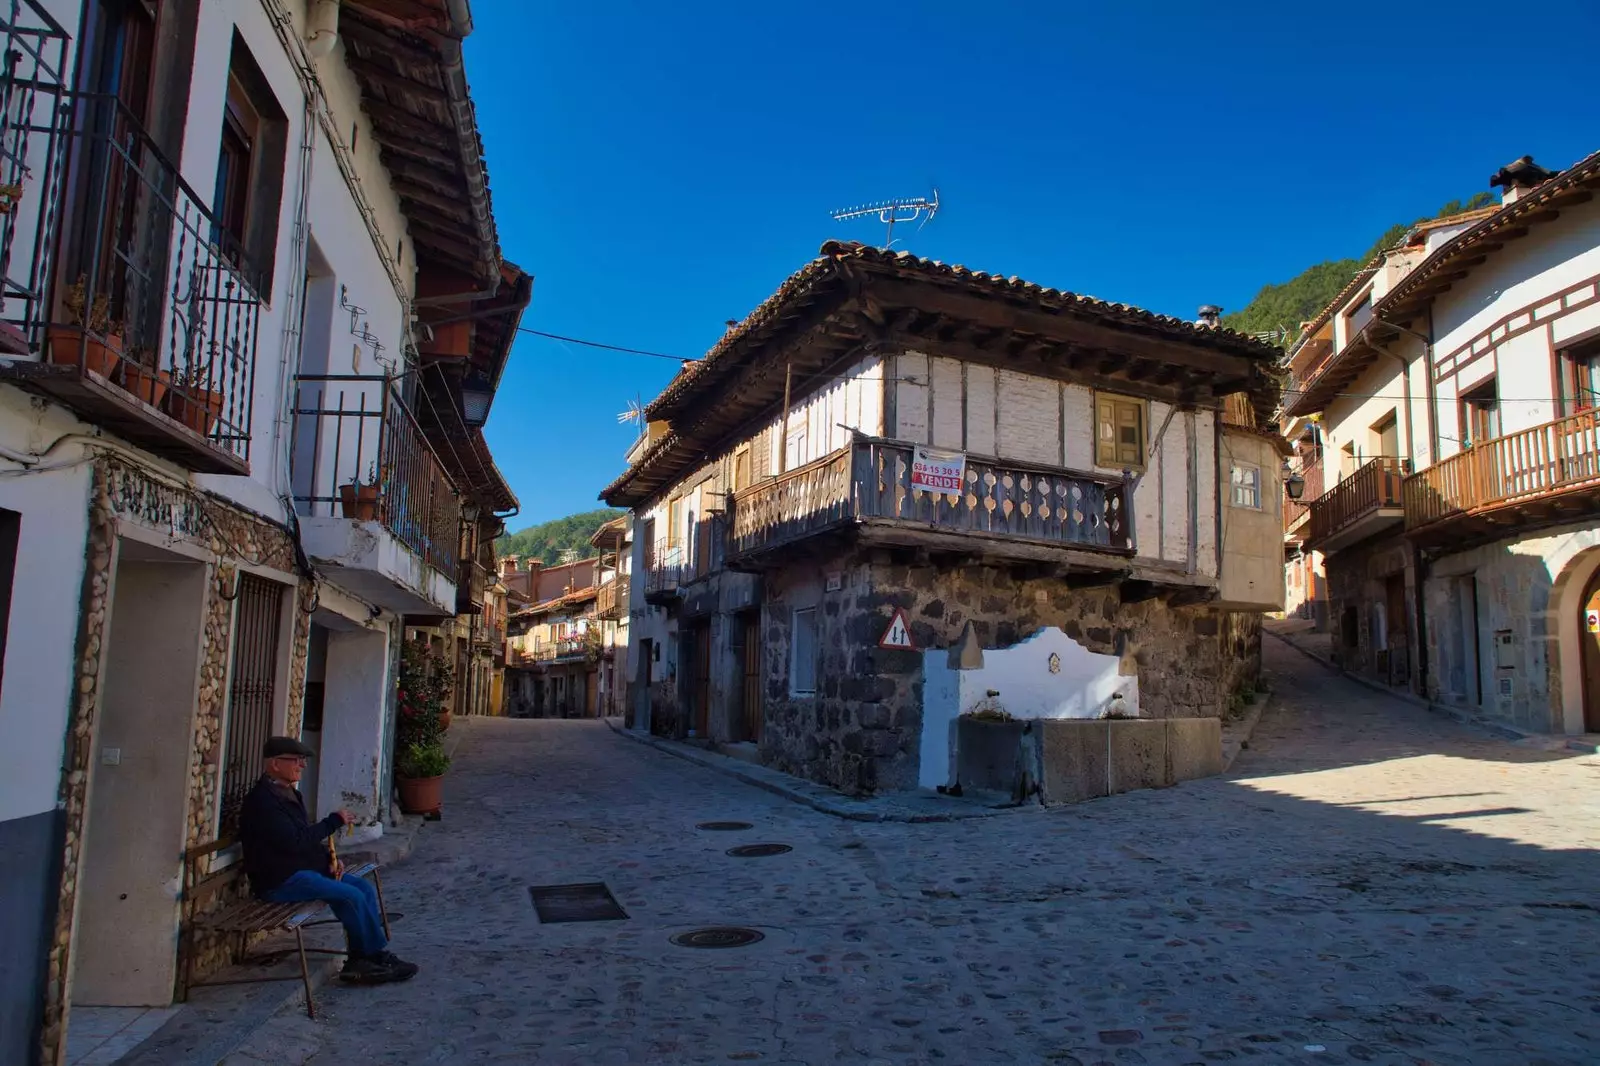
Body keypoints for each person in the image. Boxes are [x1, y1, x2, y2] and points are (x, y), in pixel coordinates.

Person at [239, 736, 419, 984]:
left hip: (299, 870)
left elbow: (303, 842)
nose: (301, 765)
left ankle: (361, 958)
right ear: (274, 764)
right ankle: (373, 956)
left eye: (302, 761)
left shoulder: (288, 793)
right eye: (296, 760)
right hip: (279, 880)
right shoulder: (263, 802)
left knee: (362, 888)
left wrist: (328, 860)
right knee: (349, 895)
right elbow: (295, 842)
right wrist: (332, 822)